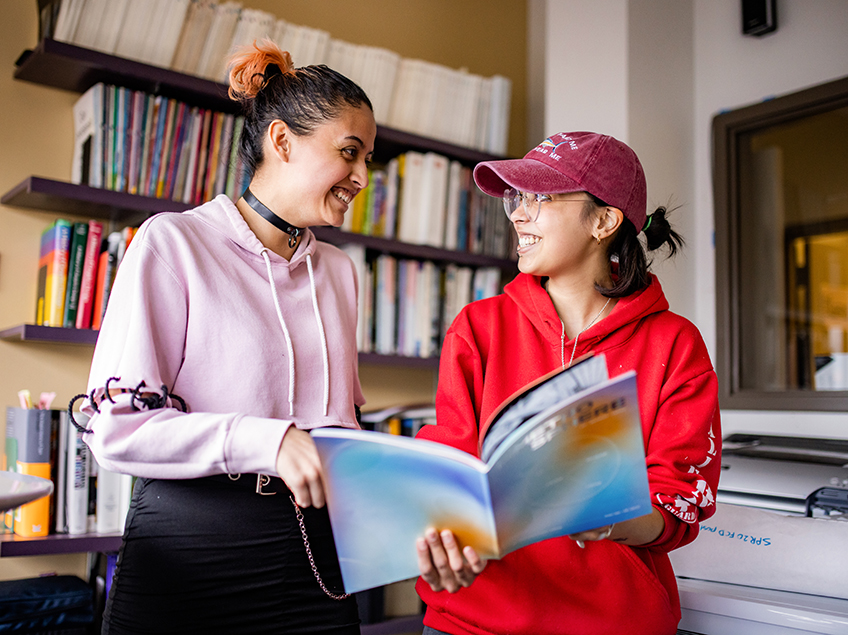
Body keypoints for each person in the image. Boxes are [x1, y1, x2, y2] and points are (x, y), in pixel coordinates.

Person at [74, 40, 376, 634]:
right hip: (191, 556)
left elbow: (341, 428)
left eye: (368, 158)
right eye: (349, 153)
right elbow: (115, 431)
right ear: (282, 142)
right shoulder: (173, 243)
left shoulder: (340, 272)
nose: (362, 177)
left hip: (318, 560)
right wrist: (271, 440)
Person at [414, 131, 721, 635]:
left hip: (612, 622)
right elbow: (450, 469)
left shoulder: (675, 344)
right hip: (471, 619)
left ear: (603, 220)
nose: (517, 214)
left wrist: (606, 517)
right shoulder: (477, 326)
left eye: (541, 198)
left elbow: (679, 501)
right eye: (517, 198)